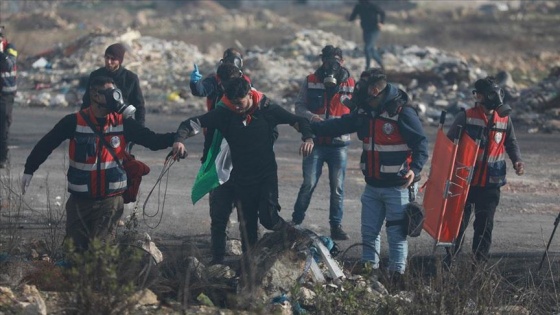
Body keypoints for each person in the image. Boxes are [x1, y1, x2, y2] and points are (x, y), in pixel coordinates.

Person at [21, 76, 183, 252]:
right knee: (74, 253)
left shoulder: (123, 123)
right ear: (95, 95)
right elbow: (46, 144)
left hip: (110, 201)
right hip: (80, 201)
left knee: (100, 254)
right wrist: (29, 169)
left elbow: (152, 140)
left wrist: (177, 139)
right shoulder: (74, 121)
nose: (115, 98)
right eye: (109, 93)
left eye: (116, 93)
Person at [173, 77, 314, 255]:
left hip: (265, 175)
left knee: (269, 218)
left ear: (249, 94)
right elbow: (192, 123)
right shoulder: (224, 113)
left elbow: (298, 121)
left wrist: (307, 138)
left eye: (239, 103)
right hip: (242, 178)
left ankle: (296, 235)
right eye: (233, 104)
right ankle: (249, 266)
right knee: (248, 228)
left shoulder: (267, 108)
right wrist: (179, 141)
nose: (237, 108)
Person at [311, 68, 428, 281]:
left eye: (361, 90)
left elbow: (421, 142)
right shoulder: (365, 111)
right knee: (368, 233)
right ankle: (369, 273)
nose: (358, 95)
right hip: (372, 186)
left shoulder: (402, 112)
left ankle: (397, 276)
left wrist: (415, 169)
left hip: (398, 187)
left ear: (374, 90)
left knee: (396, 235)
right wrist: (312, 127)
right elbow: (341, 125)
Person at [444, 77, 525, 267]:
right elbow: (448, 145)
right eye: (489, 94)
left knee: (485, 227)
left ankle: (478, 267)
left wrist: (518, 161)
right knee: (457, 225)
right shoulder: (465, 116)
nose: (494, 98)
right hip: (464, 181)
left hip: (490, 183)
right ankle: (450, 263)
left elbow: (511, 143)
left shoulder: (504, 119)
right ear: (478, 96)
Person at [291, 45, 355, 241]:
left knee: (337, 187)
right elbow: (299, 106)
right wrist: (312, 118)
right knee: (308, 183)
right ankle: (295, 221)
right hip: (316, 142)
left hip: (339, 144)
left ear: (342, 63)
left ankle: (336, 225)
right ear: (322, 61)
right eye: (328, 62)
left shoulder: (351, 83)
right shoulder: (311, 81)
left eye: (336, 62)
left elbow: (358, 111)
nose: (332, 66)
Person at [190, 61, 246, 265]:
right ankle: (218, 259)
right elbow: (208, 133)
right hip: (221, 169)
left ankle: (248, 258)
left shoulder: (253, 103)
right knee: (219, 217)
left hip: (242, 170)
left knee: (245, 218)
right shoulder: (219, 109)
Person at [82, 43, 145, 126]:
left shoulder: (130, 78)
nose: (109, 62)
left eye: (113, 59)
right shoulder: (96, 75)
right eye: (107, 57)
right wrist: (82, 122)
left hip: (122, 122)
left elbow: (139, 106)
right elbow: (87, 100)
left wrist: (139, 128)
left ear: (119, 61)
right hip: (98, 122)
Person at [349, 0, 385, 70]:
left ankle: (367, 67)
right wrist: (350, 19)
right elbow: (353, 15)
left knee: (367, 48)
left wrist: (381, 22)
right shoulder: (358, 6)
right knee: (371, 50)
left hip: (374, 29)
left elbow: (382, 13)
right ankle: (381, 64)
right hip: (366, 30)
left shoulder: (372, 5)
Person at [0, 27, 17, 168]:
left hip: (6, 95)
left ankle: (2, 159)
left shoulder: (10, 48)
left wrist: (0, 52)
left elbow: (9, 64)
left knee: (3, 128)